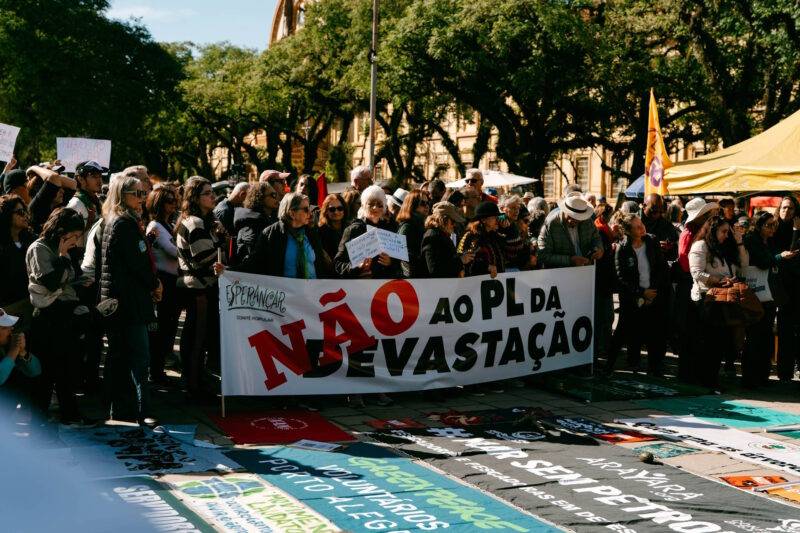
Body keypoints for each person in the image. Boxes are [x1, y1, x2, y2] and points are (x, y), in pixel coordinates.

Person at [100, 175, 160, 425]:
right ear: (122, 196)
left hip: (124, 299)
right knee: (138, 357)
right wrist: (155, 284)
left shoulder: (119, 220)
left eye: (143, 193)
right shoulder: (123, 223)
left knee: (122, 357)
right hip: (127, 302)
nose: (142, 198)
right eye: (136, 193)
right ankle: (142, 410)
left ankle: (122, 410)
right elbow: (137, 264)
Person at [25, 208, 88, 425]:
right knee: (46, 372)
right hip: (47, 315)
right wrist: (62, 257)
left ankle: (70, 413)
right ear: (61, 232)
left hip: (65, 313)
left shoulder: (66, 250)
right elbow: (51, 282)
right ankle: (39, 420)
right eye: (74, 236)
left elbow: (72, 276)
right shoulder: (39, 248)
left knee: (66, 369)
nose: (75, 241)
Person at [176, 176, 224, 400]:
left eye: (212, 192)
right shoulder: (195, 223)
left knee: (199, 337)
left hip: (203, 288)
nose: (212, 196)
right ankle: (193, 385)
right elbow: (205, 257)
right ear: (194, 197)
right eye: (207, 193)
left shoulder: (204, 221)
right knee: (197, 337)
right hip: (198, 289)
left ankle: (196, 380)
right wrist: (221, 242)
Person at [689, 216, 749, 391]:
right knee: (710, 342)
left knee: (720, 342)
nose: (726, 235)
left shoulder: (726, 247)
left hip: (725, 299)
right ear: (712, 230)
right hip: (707, 299)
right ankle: (706, 379)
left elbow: (744, 267)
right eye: (723, 231)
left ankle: (711, 378)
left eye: (727, 232)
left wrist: (739, 242)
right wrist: (718, 280)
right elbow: (696, 273)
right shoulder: (701, 246)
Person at [743, 211, 797, 388]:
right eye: (769, 225)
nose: (772, 228)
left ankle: (762, 375)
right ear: (758, 225)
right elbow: (763, 261)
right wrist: (780, 257)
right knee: (755, 335)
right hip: (755, 292)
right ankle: (750, 377)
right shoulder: (751, 239)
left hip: (769, 292)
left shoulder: (770, 240)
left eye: (774, 225)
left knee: (766, 334)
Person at [614, 214, 670, 376]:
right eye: (637, 227)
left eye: (642, 224)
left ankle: (655, 367)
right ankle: (633, 363)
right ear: (629, 231)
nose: (642, 228)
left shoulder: (652, 241)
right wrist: (641, 292)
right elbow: (621, 277)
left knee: (656, 333)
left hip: (654, 293)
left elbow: (660, 268)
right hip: (635, 296)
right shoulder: (623, 248)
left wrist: (653, 291)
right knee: (634, 332)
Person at [674, 198, 719, 381]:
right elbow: (685, 263)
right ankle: (686, 373)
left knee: (696, 331)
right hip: (689, 285)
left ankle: (694, 371)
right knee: (689, 330)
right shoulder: (688, 233)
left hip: (695, 284)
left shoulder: (699, 232)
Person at [234, 192, 330, 278]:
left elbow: (321, 265)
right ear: (292, 213)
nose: (310, 213)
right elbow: (254, 262)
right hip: (285, 291)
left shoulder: (311, 232)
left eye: (309, 208)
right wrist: (229, 272)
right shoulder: (271, 234)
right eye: (305, 209)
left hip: (312, 290)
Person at [145, 186, 180, 384]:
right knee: (161, 328)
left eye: (175, 200)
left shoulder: (168, 224)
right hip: (163, 281)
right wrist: (187, 250)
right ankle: (156, 370)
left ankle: (159, 367)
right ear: (159, 203)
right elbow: (173, 251)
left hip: (172, 281)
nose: (174, 204)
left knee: (169, 327)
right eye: (169, 200)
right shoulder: (155, 226)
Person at [335, 185, 401, 280]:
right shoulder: (353, 230)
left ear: (384, 207)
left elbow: (401, 263)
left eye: (379, 205)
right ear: (363, 206)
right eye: (371, 204)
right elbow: (338, 264)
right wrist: (356, 267)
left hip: (385, 285)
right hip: (360, 286)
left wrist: (390, 262)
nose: (375, 208)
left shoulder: (390, 228)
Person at [769, 195, 800, 383]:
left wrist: (796, 231)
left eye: (790, 208)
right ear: (779, 209)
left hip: (796, 285)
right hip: (777, 285)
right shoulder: (773, 228)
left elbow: (794, 254)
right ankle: (784, 371)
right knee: (783, 329)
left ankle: (793, 367)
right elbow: (784, 255)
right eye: (784, 207)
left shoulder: (797, 229)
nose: (786, 211)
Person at [537, 194, 602, 269]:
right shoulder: (550, 224)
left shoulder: (588, 221)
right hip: (561, 271)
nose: (572, 220)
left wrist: (598, 249)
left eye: (578, 218)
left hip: (585, 269)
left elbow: (596, 238)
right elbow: (543, 255)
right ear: (564, 210)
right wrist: (569, 260)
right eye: (570, 216)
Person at [0, 195, 35, 310]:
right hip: (9, 307)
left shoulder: (30, 239)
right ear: (7, 215)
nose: (25, 215)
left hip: (31, 300)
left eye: (25, 211)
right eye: (20, 212)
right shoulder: (2, 246)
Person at [421, 202, 471, 277]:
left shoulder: (442, 235)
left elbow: (446, 260)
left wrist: (461, 258)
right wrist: (460, 260)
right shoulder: (432, 236)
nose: (454, 225)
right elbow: (434, 269)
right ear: (443, 220)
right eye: (453, 221)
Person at [457, 201, 505, 278]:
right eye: (494, 217)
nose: (497, 220)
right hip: (476, 281)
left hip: (497, 281)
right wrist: (487, 267)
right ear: (483, 220)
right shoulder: (472, 236)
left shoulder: (494, 235)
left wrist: (507, 228)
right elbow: (468, 261)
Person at [233, 182, 278, 263]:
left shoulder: (266, 219)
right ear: (260, 197)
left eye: (276, 194)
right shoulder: (252, 223)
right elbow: (252, 257)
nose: (276, 198)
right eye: (273, 195)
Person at [396, 190, 430, 278]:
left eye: (427, 203)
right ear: (412, 205)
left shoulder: (420, 224)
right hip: (412, 278)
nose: (427, 206)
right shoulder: (407, 226)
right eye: (422, 203)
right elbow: (403, 255)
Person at [497, 194, 531, 270]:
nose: (516, 211)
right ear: (502, 208)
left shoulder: (514, 223)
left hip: (517, 267)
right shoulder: (501, 223)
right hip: (506, 269)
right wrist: (501, 217)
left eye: (518, 208)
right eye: (513, 208)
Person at [642, 193, 679, 261]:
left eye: (661, 212)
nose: (657, 215)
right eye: (654, 212)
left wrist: (669, 247)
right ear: (644, 206)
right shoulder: (635, 222)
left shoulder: (665, 224)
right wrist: (654, 245)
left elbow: (675, 248)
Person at [318, 193, 347, 264]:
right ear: (326, 211)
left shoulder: (351, 227)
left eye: (340, 208)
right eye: (332, 209)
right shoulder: (320, 232)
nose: (336, 212)